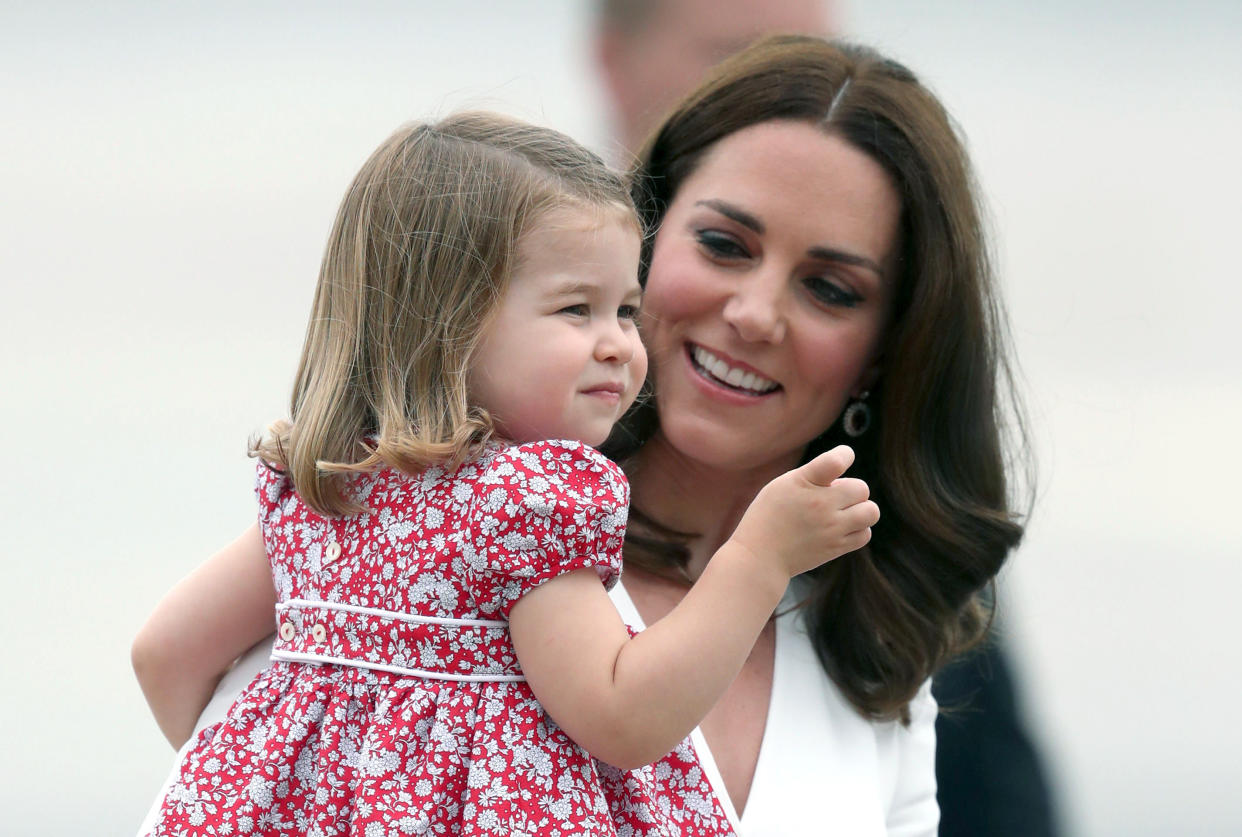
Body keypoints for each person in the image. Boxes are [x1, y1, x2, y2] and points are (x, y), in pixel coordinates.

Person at [132, 110, 879, 836]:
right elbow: (622, 713)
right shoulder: (525, 503)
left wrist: (266, 786)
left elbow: (165, 655)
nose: (619, 343)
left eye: (625, 308)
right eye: (575, 309)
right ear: (446, 323)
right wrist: (760, 558)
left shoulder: (328, 485)